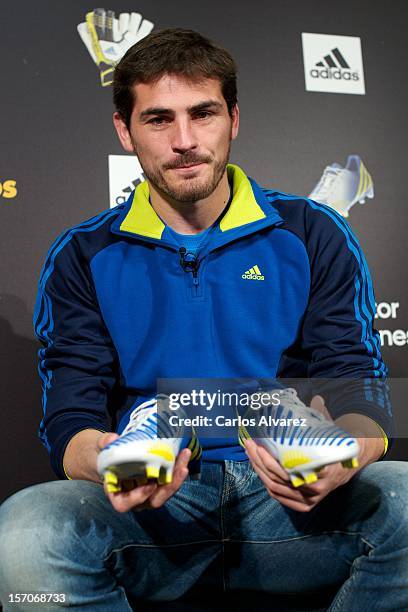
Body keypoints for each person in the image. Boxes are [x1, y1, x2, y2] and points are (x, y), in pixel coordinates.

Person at [0, 28, 406, 612]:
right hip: (155, 518)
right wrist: (113, 463)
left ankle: (290, 433)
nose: (185, 140)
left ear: (233, 119)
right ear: (125, 131)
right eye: (159, 119)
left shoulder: (312, 230)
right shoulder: (83, 253)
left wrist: (345, 454)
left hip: (292, 507)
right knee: (26, 533)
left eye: (204, 113)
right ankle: (148, 431)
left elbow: (357, 383)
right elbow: (69, 417)